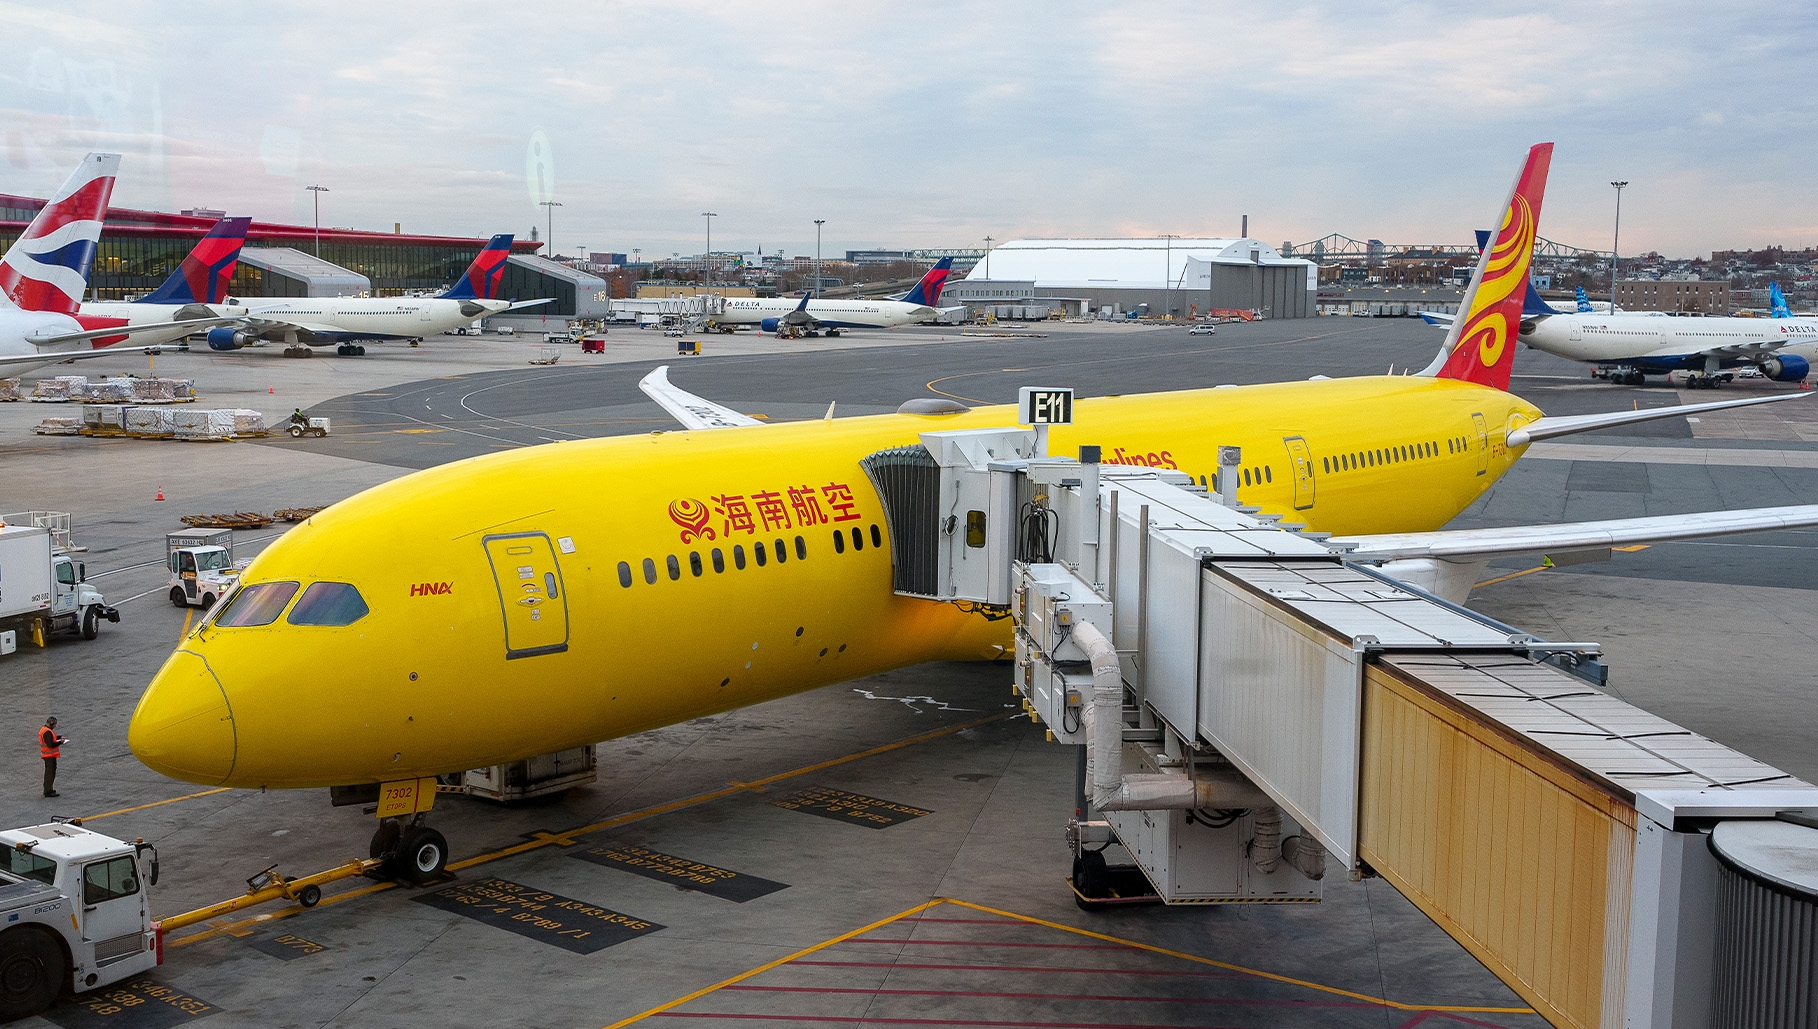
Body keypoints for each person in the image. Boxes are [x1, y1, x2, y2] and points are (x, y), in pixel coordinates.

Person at [39, 718, 66, 798]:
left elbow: (52, 739)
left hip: (49, 756)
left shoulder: (46, 730)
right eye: (55, 724)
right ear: (52, 724)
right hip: (49, 756)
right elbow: (50, 745)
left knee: (50, 773)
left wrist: (59, 737)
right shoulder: (47, 732)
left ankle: (49, 788)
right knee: (49, 774)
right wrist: (60, 742)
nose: (55, 726)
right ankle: (47, 791)